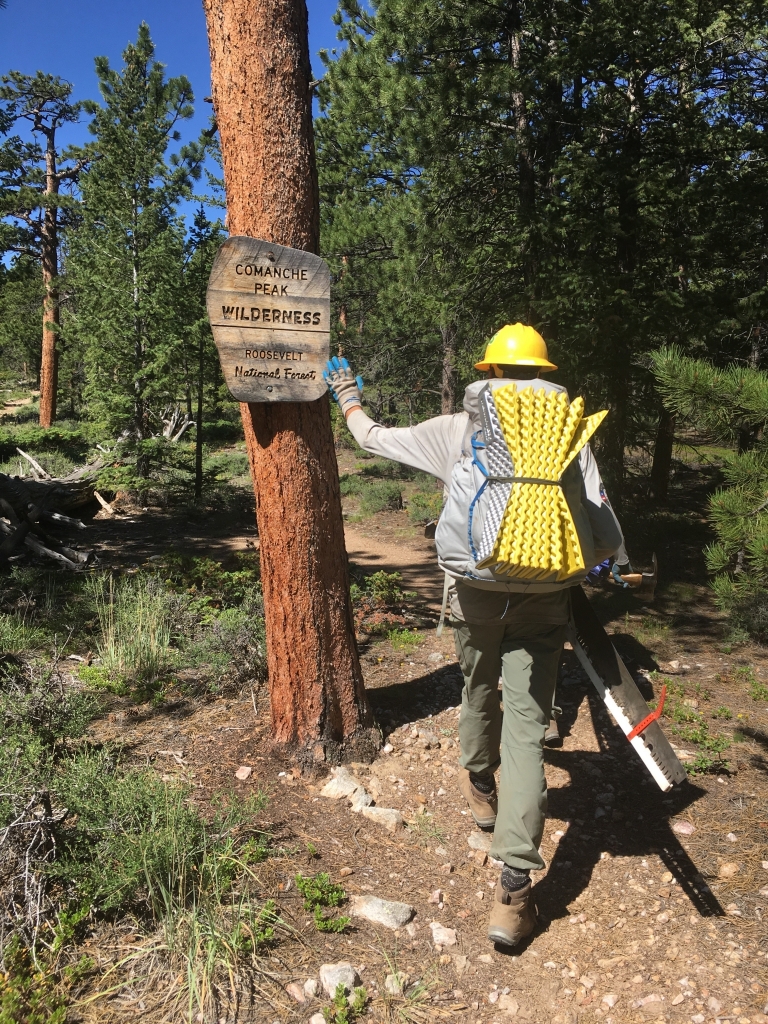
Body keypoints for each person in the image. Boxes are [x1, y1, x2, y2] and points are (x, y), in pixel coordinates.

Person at [324, 323, 624, 947]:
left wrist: (347, 395)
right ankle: (514, 893)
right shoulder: (569, 435)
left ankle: (479, 789)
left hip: (475, 590)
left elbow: (372, 439)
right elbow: (608, 540)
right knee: (527, 724)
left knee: (476, 683)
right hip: (546, 600)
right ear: (544, 374)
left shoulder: (460, 429)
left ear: (489, 372)